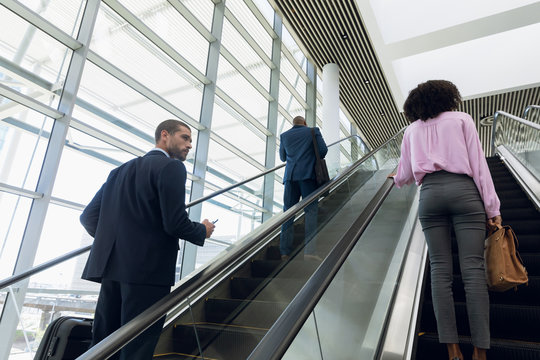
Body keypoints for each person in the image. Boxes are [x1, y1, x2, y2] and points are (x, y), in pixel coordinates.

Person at [80, 119, 215, 360]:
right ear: (165, 135)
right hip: (147, 274)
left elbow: (89, 218)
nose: (189, 145)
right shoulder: (171, 168)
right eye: (185, 138)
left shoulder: (119, 171)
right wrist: (202, 230)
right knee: (136, 348)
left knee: (103, 345)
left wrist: (119, 243)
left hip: (111, 271)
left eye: (191, 141)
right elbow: (174, 222)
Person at [391, 80, 501, 360]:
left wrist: (395, 178)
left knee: (440, 272)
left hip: (429, 195)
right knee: (473, 272)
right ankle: (479, 352)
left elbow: (403, 173)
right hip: (464, 192)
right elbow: (479, 166)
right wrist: (493, 208)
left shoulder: (410, 131)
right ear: (448, 97)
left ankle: (452, 351)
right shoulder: (462, 119)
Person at [279, 115, 328, 261]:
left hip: (290, 178)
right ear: (305, 123)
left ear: (293, 124)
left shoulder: (284, 136)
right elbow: (323, 151)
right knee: (310, 212)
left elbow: (282, 157)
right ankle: (310, 251)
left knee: (288, 213)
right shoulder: (312, 131)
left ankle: (284, 252)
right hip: (307, 177)